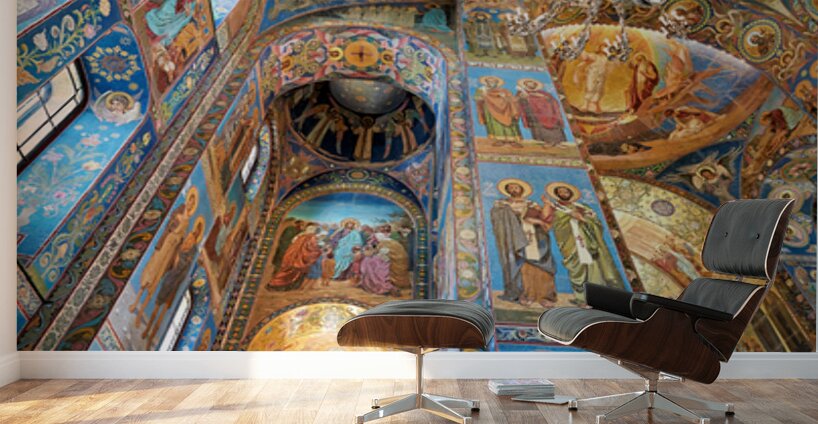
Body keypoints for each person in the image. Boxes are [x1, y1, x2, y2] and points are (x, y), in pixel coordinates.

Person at [544, 182, 625, 304]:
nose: (563, 193)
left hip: (588, 242)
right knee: (577, 269)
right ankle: (581, 298)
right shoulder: (556, 209)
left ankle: (598, 297)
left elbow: (595, 222)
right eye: (560, 192)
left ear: (571, 193)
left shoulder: (582, 206)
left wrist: (584, 219)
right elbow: (554, 224)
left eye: (565, 191)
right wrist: (568, 216)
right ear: (556, 194)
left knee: (594, 267)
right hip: (571, 243)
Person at [131, 187, 198, 327]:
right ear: (187, 201)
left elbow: (182, 241)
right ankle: (136, 302)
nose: (190, 204)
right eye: (190, 201)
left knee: (158, 277)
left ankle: (141, 310)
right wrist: (175, 223)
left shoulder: (188, 222)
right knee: (151, 270)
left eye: (193, 203)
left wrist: (181, 242)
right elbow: (169, 225)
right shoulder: (179, 210)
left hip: (170, 251)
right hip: (165, 244)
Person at [490, 178, 557, 306]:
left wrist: (547, 205)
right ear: (506, 190)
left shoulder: (531, 204)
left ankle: (545, 296)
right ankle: (526, 295)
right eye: (510, 188)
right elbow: (498, 219)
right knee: (523, 266)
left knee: (541, 267)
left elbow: (544, 217)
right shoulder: (502, 204)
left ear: (522, 189)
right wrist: (510, 214)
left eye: (516, 187)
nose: (513, 190)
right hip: (515, 239)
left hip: (536, 237)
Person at [267, 225, 323, 290]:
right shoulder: (310, 237)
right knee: (293, 272)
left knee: (286, 270)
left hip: (290, 256)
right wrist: (319, 251)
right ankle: (277, 285)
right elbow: (311, 248)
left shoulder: (300, 235)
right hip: (298, 258)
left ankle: (274, 284)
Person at [475, 76, 523, 147]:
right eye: (489, 82)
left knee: (509, 123)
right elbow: (477, 99)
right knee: (495, 124)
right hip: (491, 109)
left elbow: (512, 99)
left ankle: (513, 141)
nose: (491, 83)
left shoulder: (504, 90)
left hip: (506, 109)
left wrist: (516, 94)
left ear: (496, 83)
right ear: (486, 82)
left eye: (493, 82)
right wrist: (483, 96)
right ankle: (499, 140)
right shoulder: (482, 90)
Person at [516, 78, 565, 144]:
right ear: (526, 86)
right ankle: (544, 142)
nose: (531, 86)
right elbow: (518, 101)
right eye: (529, 85)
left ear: (535, 85)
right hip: (534, 114)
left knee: (554, 128)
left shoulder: (543, 93)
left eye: (532, 85)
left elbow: (553, 101)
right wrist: (523, 98)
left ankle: (557, 142)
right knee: (539, 128)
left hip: (548, 113)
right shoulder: (522, 93)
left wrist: (542, 98)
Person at [574, 45, 609, 113]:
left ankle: (597, 107)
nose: (605, 49)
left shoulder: (605, 58)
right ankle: (585, 105)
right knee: (590, 89)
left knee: (599, 90)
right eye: (604, 47)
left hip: (601, 77)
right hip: (592, 75)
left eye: (606, 48)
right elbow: (586, 57)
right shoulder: (595, 56)